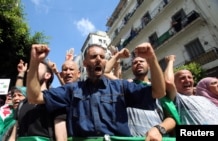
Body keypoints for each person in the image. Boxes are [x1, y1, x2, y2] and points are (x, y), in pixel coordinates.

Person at [26, 42, 166, 139]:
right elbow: (35, 97)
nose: (99, 59)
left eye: (102, 57)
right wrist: (34, 62)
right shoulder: (71, 90)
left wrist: (152, 59)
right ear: (85, 63)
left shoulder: (121, 87)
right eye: (93, 57)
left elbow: (158, 93)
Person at [105, 51, 176, 140]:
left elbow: (171, 118)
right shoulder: (127, 87)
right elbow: (105, 72)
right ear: (132, 68)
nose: (138, 63)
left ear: (149, 65)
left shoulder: (160, 89)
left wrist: (158, 130)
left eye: (141, 61)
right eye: (134, 62)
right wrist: (117, 56)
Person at [8, 60, 67, 141]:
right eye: (30, 68)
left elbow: (61, 136)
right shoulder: (22, 103)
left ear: (47, 75)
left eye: (35, 68)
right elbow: (13, 136)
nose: (30, 70)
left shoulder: (55, 100)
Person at [164, 55, 218, 124]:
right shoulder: (178, 99)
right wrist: (170, 61)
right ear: (174, 83)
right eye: (182, 78)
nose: (187, 80)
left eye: (189, 77)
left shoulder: (205, 99)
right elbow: (168, 82)